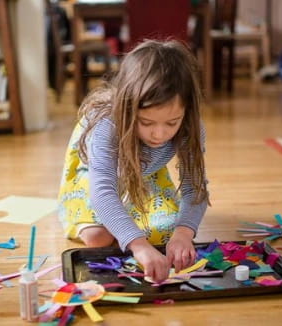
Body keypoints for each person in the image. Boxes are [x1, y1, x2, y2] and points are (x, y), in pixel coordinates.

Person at [57, 39, 209, 282]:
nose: (159, 134)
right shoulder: (106, 125)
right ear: (127, 108)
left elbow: (195, 186)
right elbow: (102, 190)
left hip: (146, 170)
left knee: (166, 232)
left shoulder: (191, 125)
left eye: (172, 123)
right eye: (147, 122)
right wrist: (138, 245)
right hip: (94, 172)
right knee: (98, 238)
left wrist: (183, 234)